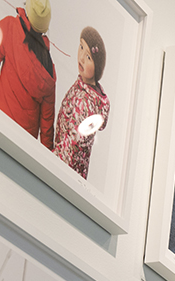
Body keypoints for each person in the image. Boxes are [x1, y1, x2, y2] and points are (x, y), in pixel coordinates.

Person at [0, 0, 57, 149]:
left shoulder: (10, 27)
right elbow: (47, 120)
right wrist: (47, 150)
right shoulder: (49, 69)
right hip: (22, 143)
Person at [53, 27, 110, 179]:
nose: (82, 57)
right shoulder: (83, 88)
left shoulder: (85, 101)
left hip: (64, 169)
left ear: (97, 68)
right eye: (81, 47)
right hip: (72, 170)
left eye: (89, 58)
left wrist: (53, 160)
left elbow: (74, 144)